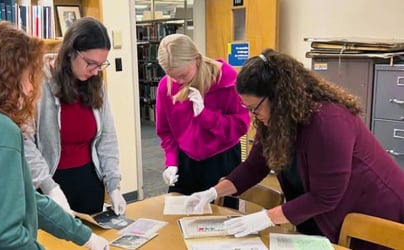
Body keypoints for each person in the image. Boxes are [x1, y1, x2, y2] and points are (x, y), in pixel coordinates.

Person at [185, 48, 404, 250]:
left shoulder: (329, 121)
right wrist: (213, 191)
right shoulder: (275, 121)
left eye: (254, 108)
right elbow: (253, 167)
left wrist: (265, 218)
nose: (252, 115)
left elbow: (326, 196)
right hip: (322, 214)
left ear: (279, 98)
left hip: (374, 212)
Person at [0, 22, 108, 250]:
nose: (29, 89)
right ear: (6, 75)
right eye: (28, 76)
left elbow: (24, 197)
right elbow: (3, 235)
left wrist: (83, 236)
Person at [24, 17, 126, 216]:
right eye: (90, 63)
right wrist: (49, 187)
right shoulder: (37, 83)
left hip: (89, 182)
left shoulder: (96, 85)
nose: (95, 71)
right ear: (71, 52)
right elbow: (25, 142)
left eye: (101, 65)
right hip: (50, 184)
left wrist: (113, 185)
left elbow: (107, 137)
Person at [155, 33, 250, 203]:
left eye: (182, 75)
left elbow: (241, 125)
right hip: (186, 161)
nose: (178, 81)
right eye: (172, 76)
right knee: (178, 216)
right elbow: (165, 131)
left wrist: (205, 115)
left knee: (220, 220)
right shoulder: (166, 86)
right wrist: (171, 162)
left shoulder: (226, 79)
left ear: (197, 60)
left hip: (222, 159)